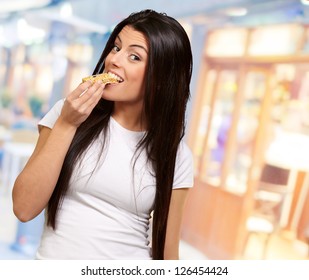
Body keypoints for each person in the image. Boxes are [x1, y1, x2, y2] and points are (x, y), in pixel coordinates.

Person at [12, 9, 194, 260]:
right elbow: (23, 207)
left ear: (161, 79)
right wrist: (67, 124)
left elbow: (167, 253)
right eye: (116, 48)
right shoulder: (67, 113)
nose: (114, 60)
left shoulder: (176, 155)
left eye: (134, 56)